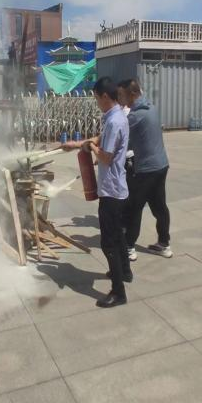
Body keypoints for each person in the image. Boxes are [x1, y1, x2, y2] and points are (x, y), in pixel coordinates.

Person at [63, 77, 131, 308]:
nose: (96, 103)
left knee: (108, 243)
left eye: (96, 99)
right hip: (118, 187)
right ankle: (125, 272)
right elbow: (101, 142)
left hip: (111, 191)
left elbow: (105, 156)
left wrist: (91, 147)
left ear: (105, 96)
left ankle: (118, 293)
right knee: (119, 236)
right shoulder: (118, 115)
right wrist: (78, 145)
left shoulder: (114, 122)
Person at [117, 79, 172, 260]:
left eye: (121, 95)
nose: (119, 98)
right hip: (161, 165)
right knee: (159, 206)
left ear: (132, 94)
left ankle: (128, 247)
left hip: (147, 170)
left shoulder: (135, 116)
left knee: (134, 207)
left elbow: (119, 139)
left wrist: (98, 150)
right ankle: (164, 244)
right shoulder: (151, 107)